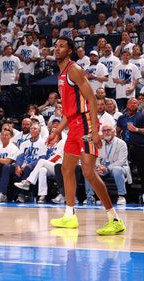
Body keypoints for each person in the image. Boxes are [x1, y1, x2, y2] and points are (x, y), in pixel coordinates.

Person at [47, 37, 125, 236]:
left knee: (89, 172)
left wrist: (94, 131)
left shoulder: (74, 70)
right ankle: (69, 215)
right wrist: (57, 131)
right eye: (55, 46)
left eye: (62, 46)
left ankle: (114, 219)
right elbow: (67, 112)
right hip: (73, 125)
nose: (57, 49)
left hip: (85, 124)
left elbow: (91, 98)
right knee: (66, 169)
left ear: (70, 51)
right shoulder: (61, 74)